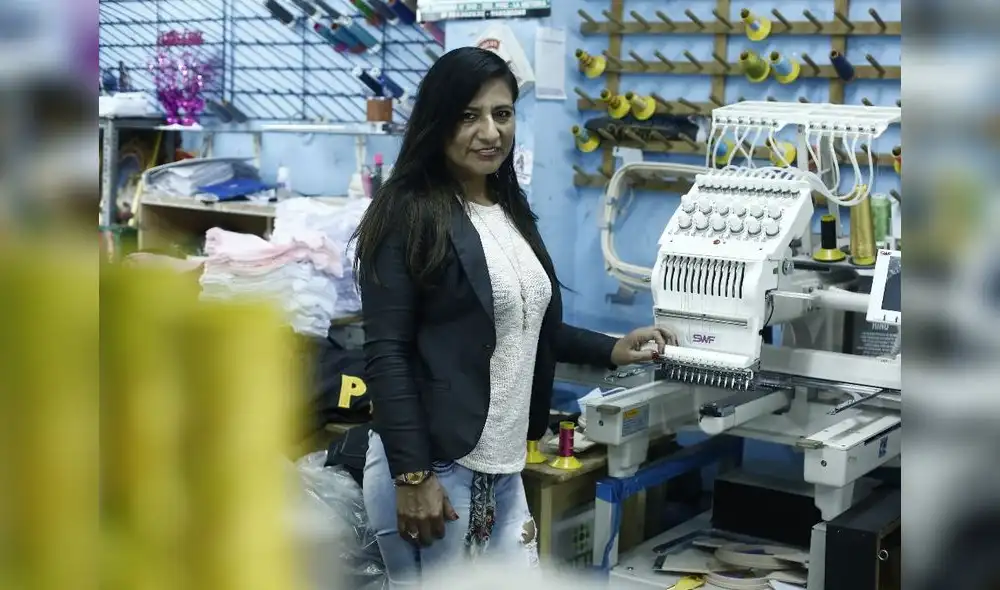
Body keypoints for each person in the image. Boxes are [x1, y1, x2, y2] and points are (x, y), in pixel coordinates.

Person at [351, 47, 676, 586]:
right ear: (438, 120)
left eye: (502, 114)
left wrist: (613, 348)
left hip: (502, 463)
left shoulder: (507, 209)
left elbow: (527, 324)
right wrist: (413, 476)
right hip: (436, 466)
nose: (490, 132)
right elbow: (386, 352)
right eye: (469, 116)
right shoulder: (407, 212)